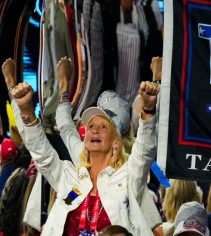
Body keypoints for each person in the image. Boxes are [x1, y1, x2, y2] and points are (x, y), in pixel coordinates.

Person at [10, 78, 159, 235]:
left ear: (116, 142)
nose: (95, 130)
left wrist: (148, 111)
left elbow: (144, 152)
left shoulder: (127, 177)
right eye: (91, 126)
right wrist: (26, 111)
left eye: (104, 127)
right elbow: (42, 155)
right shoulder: (69, 178)